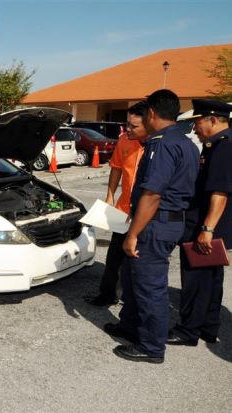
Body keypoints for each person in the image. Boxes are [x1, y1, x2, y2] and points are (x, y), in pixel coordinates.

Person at [106, 89, 199, 363]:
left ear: (152, 113)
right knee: (134, 280)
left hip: (155, 224)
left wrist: (132, 234)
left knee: (150, 287)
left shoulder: (162, 144)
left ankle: (151, 346)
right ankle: (130, 326)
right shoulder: (186, 143)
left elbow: (152, 194)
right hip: (166, 222)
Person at [167, 99, 232, 346]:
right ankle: (208, 326)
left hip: (205, 225)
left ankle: (188, 330)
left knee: (196, 280)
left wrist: (206, 229)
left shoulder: (223, 146)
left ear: (213, 120)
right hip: (212, 225)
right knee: (211, 278)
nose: (194, 128)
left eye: (198, 122)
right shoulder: (217, 144)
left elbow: (220, 191)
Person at [84, 102, 147, 306]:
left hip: (146, 213)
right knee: (114, 257)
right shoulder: (124, 141)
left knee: (139, 260)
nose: (127, 129)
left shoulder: (158, 146)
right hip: (124, 210)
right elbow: (116, 168)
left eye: (133, 125)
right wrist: (110, 195)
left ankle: (132, 299)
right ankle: (107, 294)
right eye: (126, 124)